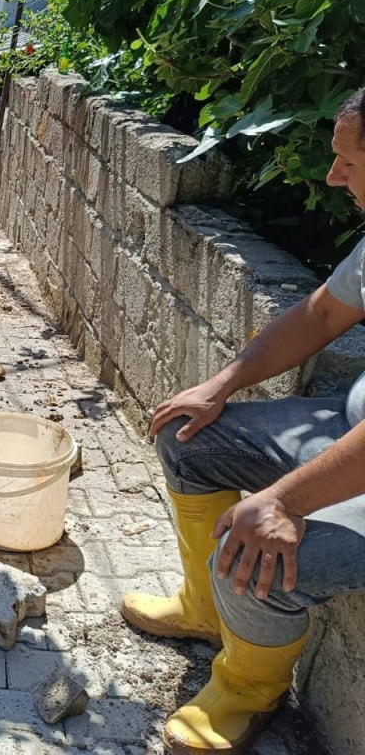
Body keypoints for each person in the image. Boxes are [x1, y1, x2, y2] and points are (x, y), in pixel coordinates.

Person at [124, 87, 365, 754]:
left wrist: (283, 501)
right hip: (349, 432)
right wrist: (219, 384)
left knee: (250, 545)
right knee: (188, 437)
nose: (332, 175)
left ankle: (247, 691)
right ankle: (206, 614)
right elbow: (319, 315)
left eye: (348, 161)